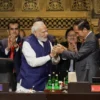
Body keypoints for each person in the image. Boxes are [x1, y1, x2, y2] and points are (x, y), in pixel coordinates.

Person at [16, 21, 60, 92]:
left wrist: (56, 56)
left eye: (47, 31)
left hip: (44, 84)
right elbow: (33, 62)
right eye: (43, 32)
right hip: (28, 85)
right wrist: (50, 56)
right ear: (35, 33)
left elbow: (54, 62)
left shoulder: (48, 42)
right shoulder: (27, 43)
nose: (46, 34)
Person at [1, 20, 23, 91]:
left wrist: (16, 46)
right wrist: (7, 48)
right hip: (4, 75)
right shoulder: (2, 42)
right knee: (4, 95)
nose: (14, 31)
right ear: (8, 31)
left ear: (19, 30)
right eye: (12, 29)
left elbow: (24, 57)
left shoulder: (25, 42)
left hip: (19, 74)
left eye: (16, 29)